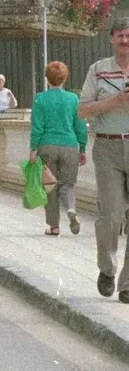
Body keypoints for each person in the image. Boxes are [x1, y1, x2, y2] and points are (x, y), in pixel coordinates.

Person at [79, 21, 129, 301]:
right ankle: (107, 269)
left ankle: (127, 284)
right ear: (111, 39)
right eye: (120, 36)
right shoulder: (98, 70)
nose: (125, 40)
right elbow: (82, 110)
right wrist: (115, 102)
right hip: (108, 147)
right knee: (111, 215)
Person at [30, 60, 88, 238]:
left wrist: (33, 149)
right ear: (65, 79)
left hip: (46, 145)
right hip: (70, 146)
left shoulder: (40, 98)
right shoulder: (73, 99)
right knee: (68, 184)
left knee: (50, 186)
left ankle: (54, 226)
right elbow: (80, 125)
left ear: (47, 78)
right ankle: (71, 209)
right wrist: (83, 148)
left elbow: (36, 127)